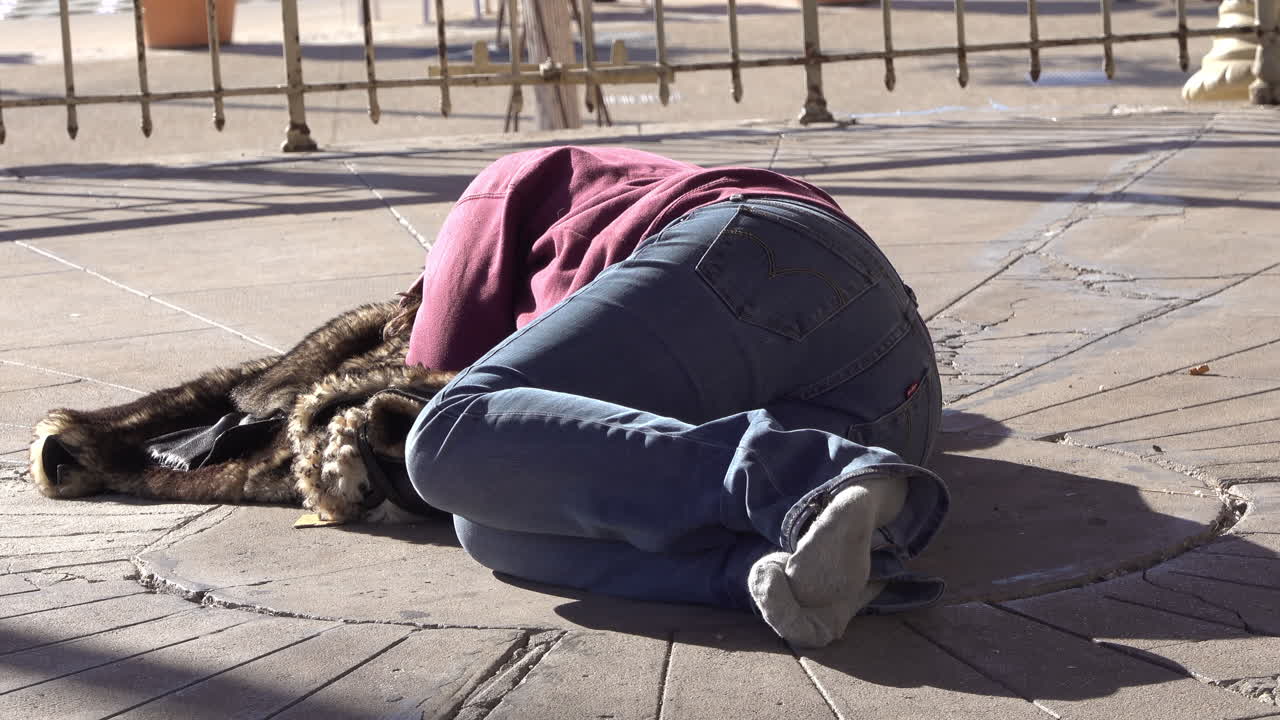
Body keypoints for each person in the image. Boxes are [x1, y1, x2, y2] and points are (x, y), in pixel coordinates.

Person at [398, 145, 949, 648]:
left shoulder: (496, 187)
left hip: (759, 255)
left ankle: (814, 482)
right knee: (486, 528)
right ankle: (787, 569)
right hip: (902, 391)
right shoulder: (610, 182)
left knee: (448, 435)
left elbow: (437, 368)